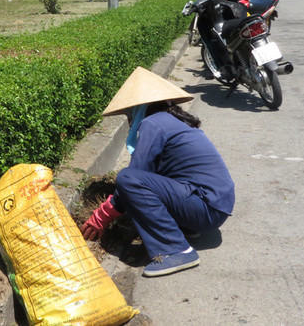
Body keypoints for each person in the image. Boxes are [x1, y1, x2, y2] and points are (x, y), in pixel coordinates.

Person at [81, 67, 235, 277]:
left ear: (140, 108)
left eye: (129, 112)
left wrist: (104, 214)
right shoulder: (172, 120)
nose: (129, 118)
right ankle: (185, 228)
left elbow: (134, 176)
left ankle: (175, 250)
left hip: (206, 206)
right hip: (216, 205)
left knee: (127, 178)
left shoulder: (153, 124)